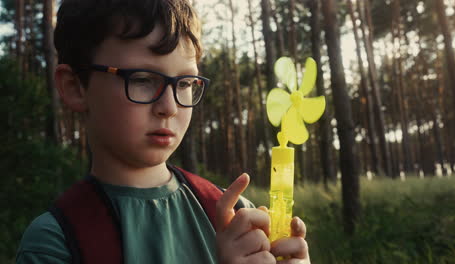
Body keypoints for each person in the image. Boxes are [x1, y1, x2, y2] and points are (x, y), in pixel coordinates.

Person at [16, 0, 310, 263]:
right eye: (143, 79)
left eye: (184, 84)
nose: (168, 106)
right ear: (75, 87)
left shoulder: (237, 217)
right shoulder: (55, 243)